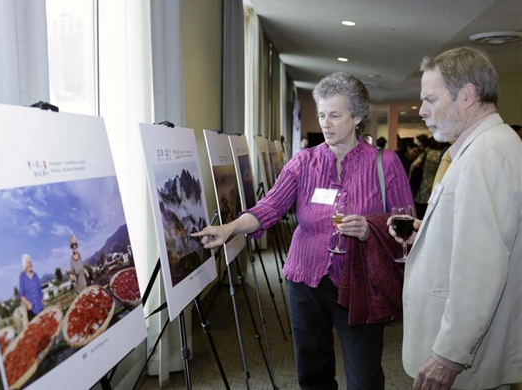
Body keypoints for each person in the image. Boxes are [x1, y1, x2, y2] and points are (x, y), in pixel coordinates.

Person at [194, 71, 414, 390]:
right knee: (313, 372)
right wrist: (230, 228)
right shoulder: (304, 162)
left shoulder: (386, 164)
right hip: (305, 279)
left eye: (335, 115)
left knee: (365, 375)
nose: (325, 123)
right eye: (322, 114)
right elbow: (269, 207)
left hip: (360, 281)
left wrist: (370, 228)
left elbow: (405, 224)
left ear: (357, 117)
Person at [389, 47, 521, 390]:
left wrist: (448, 355)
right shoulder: (485, 147)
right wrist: (428, 235)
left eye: (431, 99)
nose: (422, 110)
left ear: (467, 95)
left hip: (468, 361)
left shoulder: (485, 155)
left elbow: (482, 267)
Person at [408, 137, 442, 218]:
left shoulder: (426, 154)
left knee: (421, 213)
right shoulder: (441, 154)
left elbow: (413, 165)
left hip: (423, 186)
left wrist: (410, 176)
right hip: (436, 186)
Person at [19, 254, 44, 322]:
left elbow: (40, 291)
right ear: (24, 265)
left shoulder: (36, 275)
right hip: (31, 311)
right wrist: (27, 303)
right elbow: (21, 295)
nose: (30, 264)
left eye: (30, 262)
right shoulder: (22, 276)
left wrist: (42, 300)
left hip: (40, 308)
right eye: (28, 263)